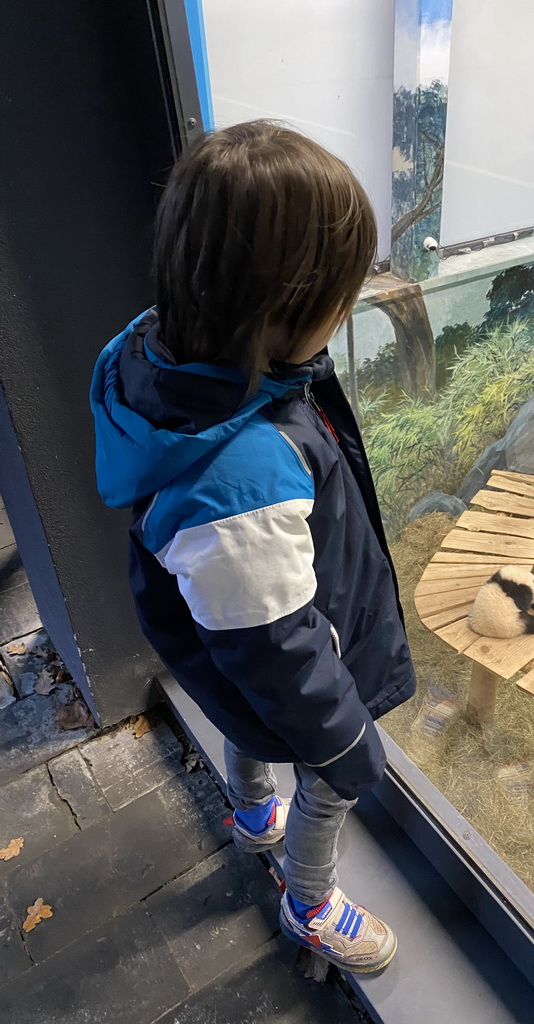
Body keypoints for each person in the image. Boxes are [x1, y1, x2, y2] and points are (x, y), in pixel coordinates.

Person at [90, 120, 416, 973]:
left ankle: (247, 813)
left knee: (241, 715)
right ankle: (309, 903)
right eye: (339, 303)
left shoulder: (171, 356)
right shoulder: (244, 480)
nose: (344, 319)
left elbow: (244, 651)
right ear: (283, 316)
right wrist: (343, 738)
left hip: (227, 658)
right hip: (291, 673)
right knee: (328, 780)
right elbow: (274, 650)